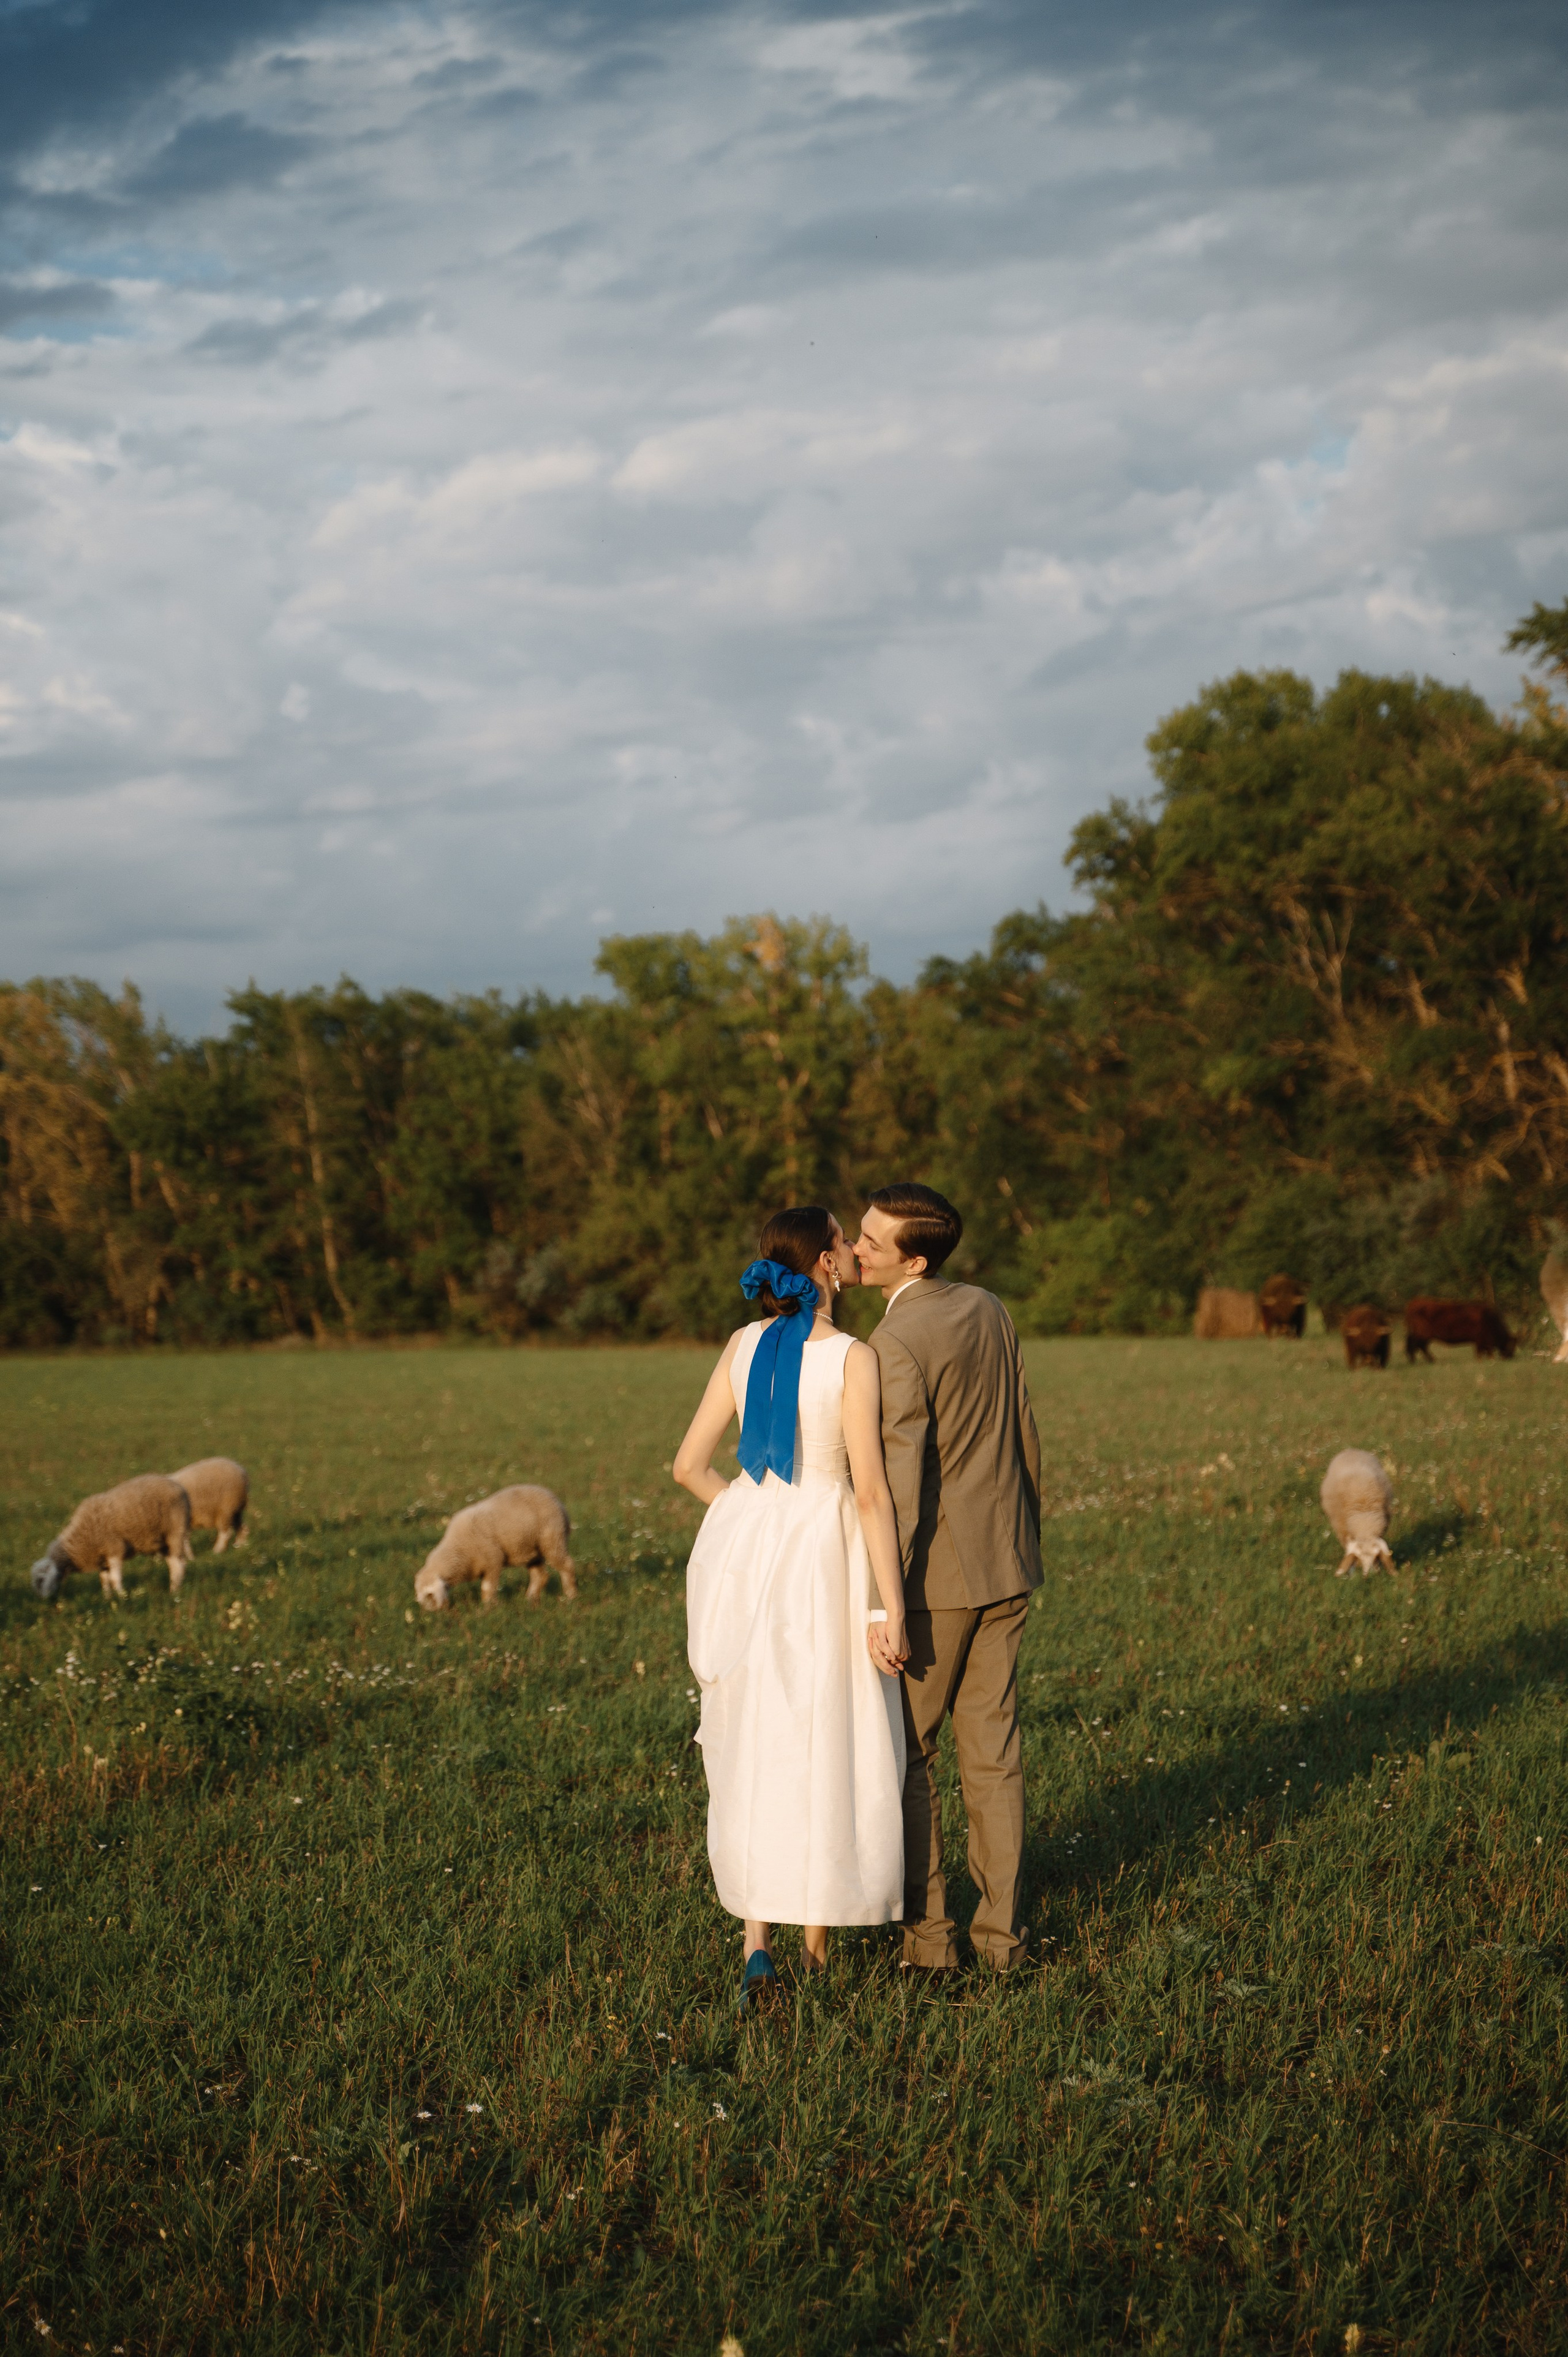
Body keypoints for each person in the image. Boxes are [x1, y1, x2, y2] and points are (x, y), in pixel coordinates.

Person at [674, 1205, 910, 2009]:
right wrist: (888, 1606)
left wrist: (745, 1516)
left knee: (753, 1734)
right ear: (824, 1264)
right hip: (826, 1554)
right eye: (844, 1241)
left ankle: (757, 1946)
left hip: (746, 1549)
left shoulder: (742, 1345)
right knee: (824, 1730)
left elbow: (686, 1466)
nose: (852, 1251)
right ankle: (814, 1948)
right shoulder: (852, 1356)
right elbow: (872, 1492)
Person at [854, 1183, 1042, 1974]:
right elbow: (1023, 1428)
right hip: (1009, 1559)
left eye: (871, 1241)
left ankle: (931, 1946)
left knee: (911, 1758)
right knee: (994, 1756)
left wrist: (881, 1602)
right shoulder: (990, 1307)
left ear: (915, 1259)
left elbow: (892, 1484)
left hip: (935, 1582)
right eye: (859, 1234)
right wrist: (1026, 1537)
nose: (857, 1249)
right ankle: (1003, 1943)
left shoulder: (890, 1345)